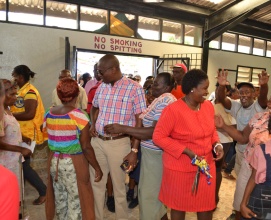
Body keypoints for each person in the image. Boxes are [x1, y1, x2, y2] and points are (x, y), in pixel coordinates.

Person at [215, 86, 271, 220]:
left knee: (266, 208)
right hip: (250, 168)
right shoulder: (259, 117)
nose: (270, 105)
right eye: (270, 101)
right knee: (241, 205)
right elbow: (242, 137)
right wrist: (223, 126)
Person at [153, 69, 224, 220]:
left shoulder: (208, 107)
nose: (207, 92)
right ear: (192, 88)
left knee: (206, 206)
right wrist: (186, 151)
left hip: (205, 166)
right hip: (179, 168)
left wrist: (217, 144)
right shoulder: (173, 110)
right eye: (204, 88)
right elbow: (158, 137)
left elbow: (212, 131)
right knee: (179, 206)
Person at [105, 72, 176, 220]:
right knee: (151, 198)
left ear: (167, 87)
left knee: (149, 198)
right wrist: (135, 149)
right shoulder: (159, 99)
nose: (152, 86)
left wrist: (123, 128)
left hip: (157, 156)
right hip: (150, 153)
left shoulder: (167, 100)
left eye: (157, 84)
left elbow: (155, 132)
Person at [89, 54, 147, 220]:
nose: (99, 75)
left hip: (119, 145)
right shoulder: (102, 86)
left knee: (119, 187)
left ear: (113, 69)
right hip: (97, 142)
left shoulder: (135, 88)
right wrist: (93, 124)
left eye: (101, 71)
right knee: (97, 184)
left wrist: (134, 150)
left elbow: (139, 122)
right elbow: (94, 108)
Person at [43, 77, 103, 219]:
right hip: (73, 163)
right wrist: (97, 167)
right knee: (76, 202)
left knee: (60, 201)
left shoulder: (49, 112)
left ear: (58, 95)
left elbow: (47, 132)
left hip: (54, 162)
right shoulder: (79, 116)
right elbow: (86, 147)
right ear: (77, 95)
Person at [216, 69, 269, 220]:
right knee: (241, 182)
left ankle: (242, 210)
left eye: (247, 92)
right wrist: (221, 85)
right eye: (241, 92)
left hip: (254, 153)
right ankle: (241, 208)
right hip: (240, 150)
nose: (244, 95)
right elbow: (221, 99)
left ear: (254, 94)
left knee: (250, 184)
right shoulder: (237, 105)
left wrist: (264, 85)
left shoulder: (259, 106)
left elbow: (264, 97)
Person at [10, 65, 47, 205]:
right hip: (21, 133)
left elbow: (29, 113)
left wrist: (9, 116)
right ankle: (19, 195)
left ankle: (43, 191)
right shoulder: (21, 90)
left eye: (14, 76)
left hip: (27, 134)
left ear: (20, 77)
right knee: (21, 166)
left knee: (24, 166)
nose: (13, 79)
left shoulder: (30, 91)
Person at [0, 79, 32, 201]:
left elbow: (10, 129)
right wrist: (20, 149)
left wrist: (23, 137)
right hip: (5, 162)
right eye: (12, 94)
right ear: (2, 94)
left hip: (13, 160)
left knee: (15, 192)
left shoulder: (8, 110)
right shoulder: (0, 114)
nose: (16, 97)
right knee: (7, 195)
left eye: (16, 93)